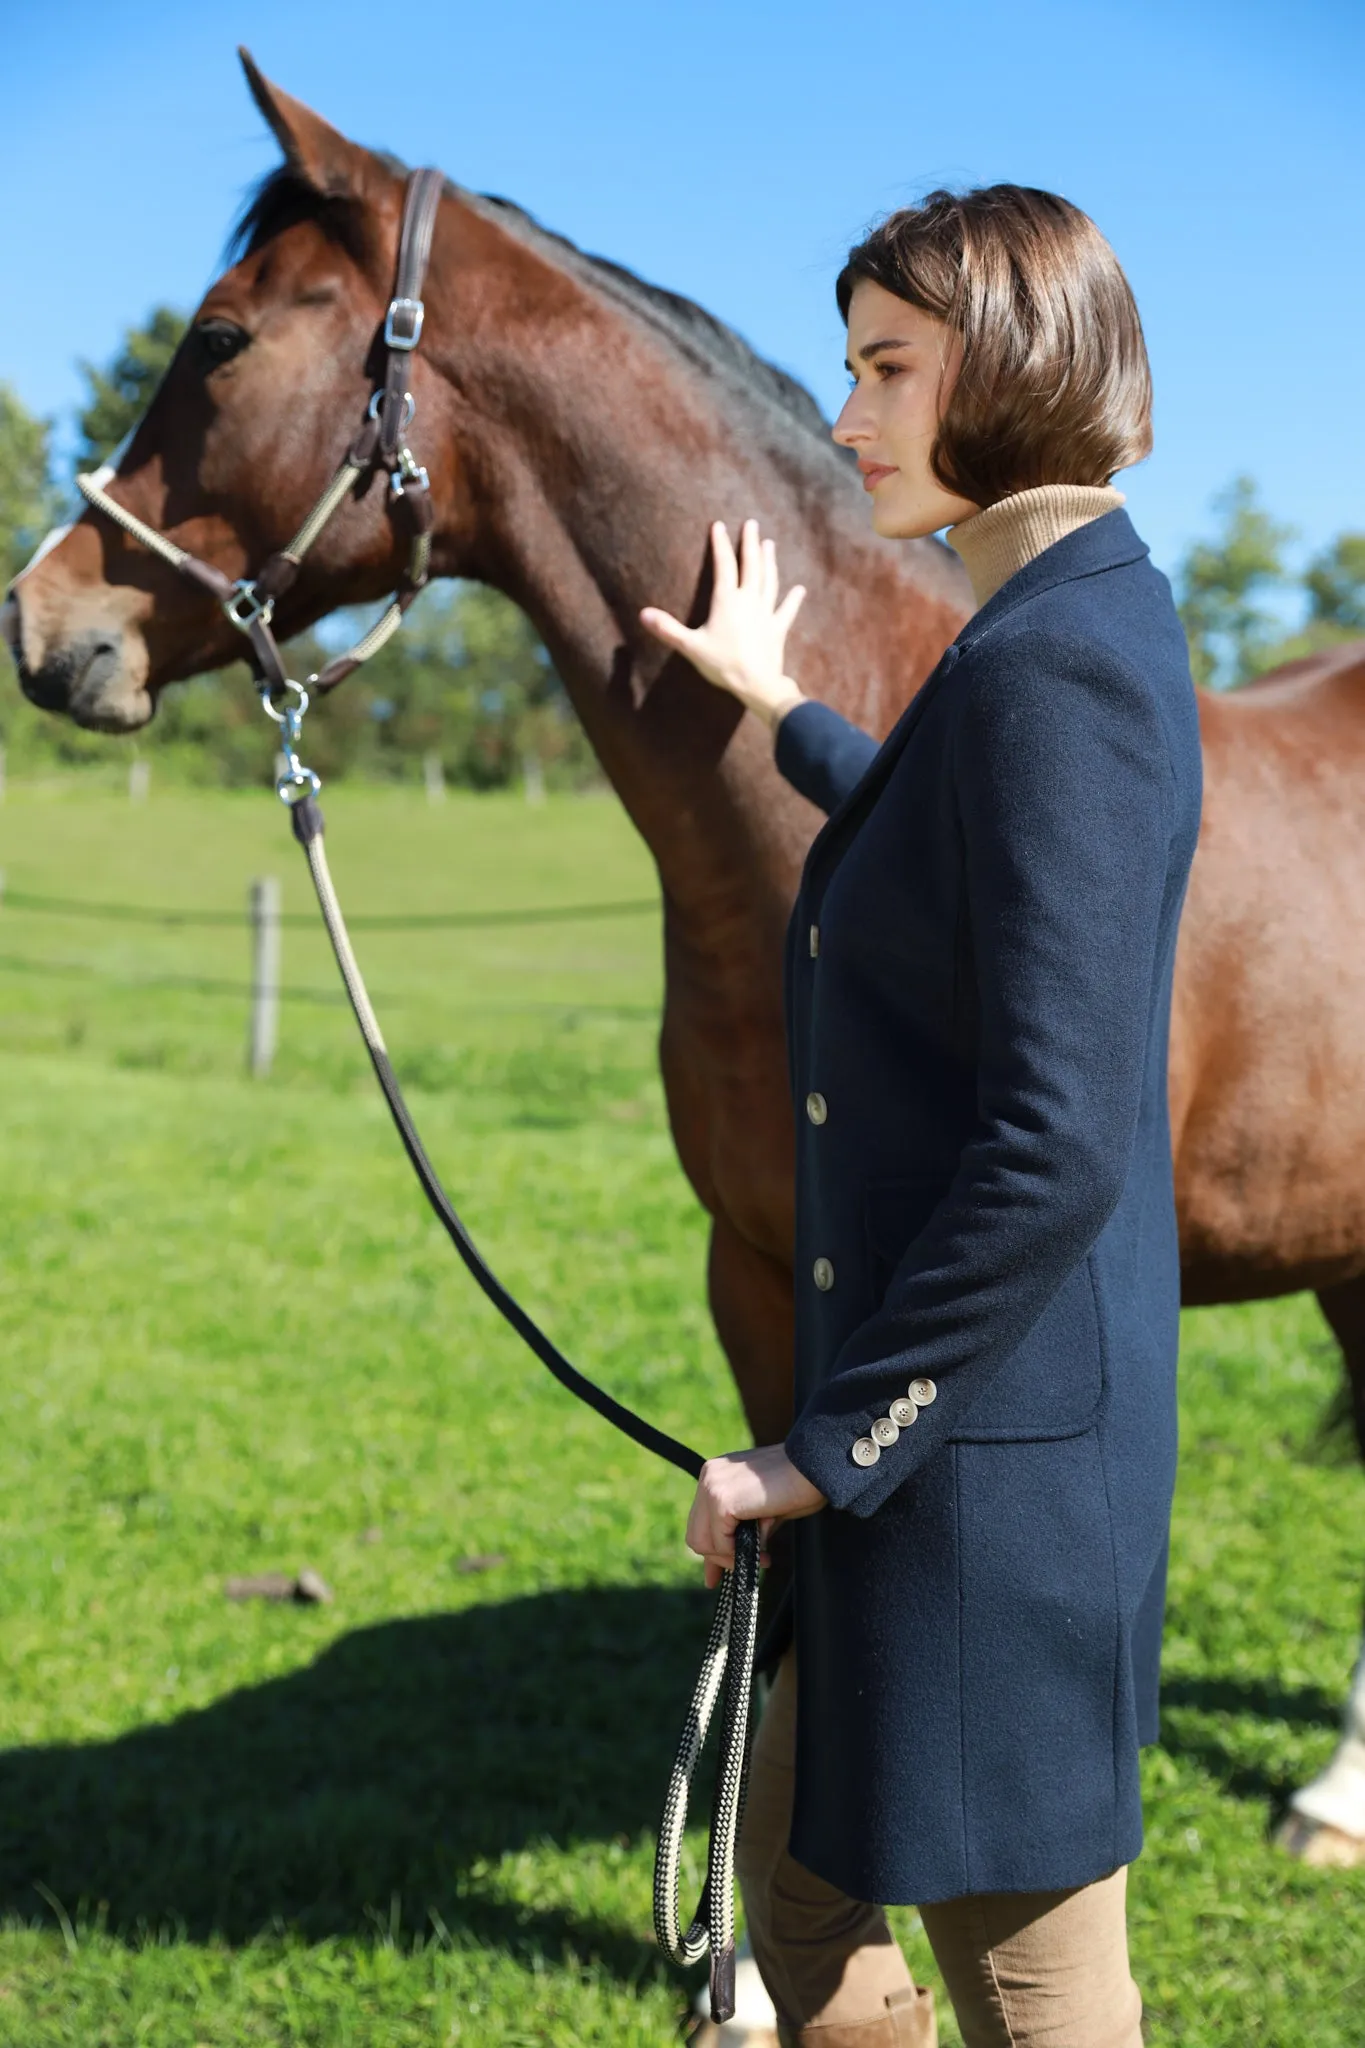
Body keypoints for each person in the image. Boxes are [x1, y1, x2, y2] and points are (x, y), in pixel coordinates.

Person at [639, 186, 1202, 2048]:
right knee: (799, 1911)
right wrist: (777, 701)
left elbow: (1054, 1148)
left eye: (887, 367)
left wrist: (817, 1455)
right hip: (930, 1476)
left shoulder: (1061, 667)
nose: (850, 414)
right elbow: (944, 843)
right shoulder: (1052, 626)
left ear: (1019, 363)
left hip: (979, 1499)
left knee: (1043, 2005)